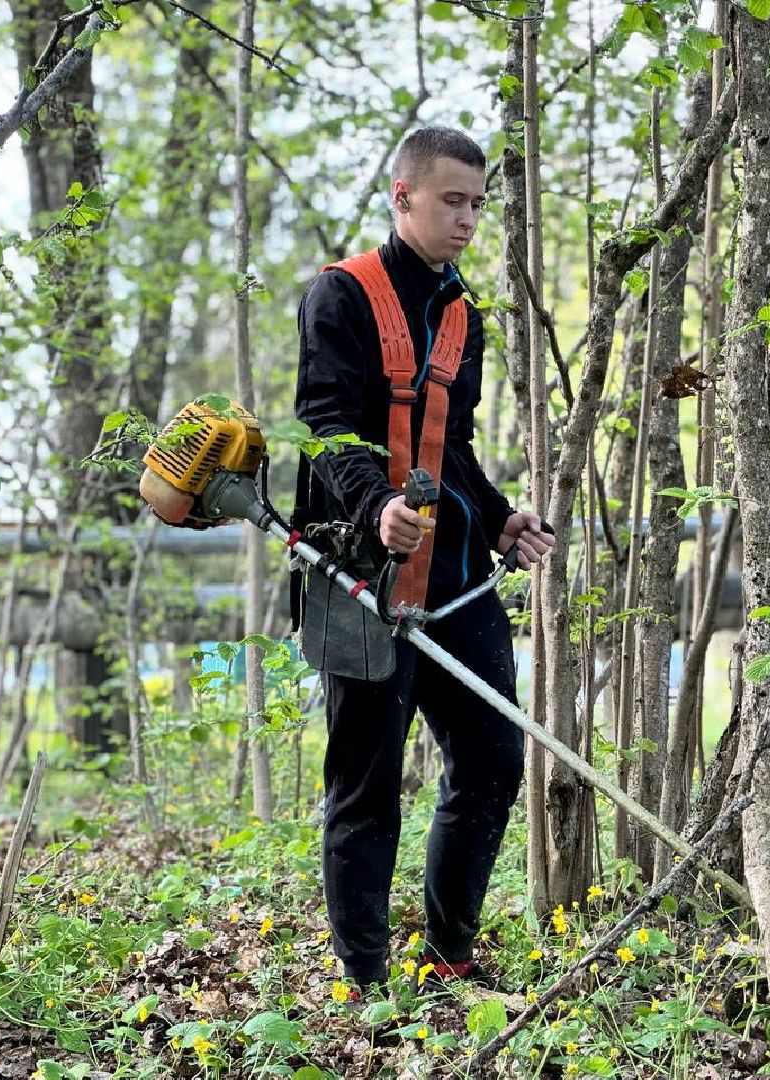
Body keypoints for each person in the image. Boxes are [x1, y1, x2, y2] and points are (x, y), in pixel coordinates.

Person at [293, 127, 555, 994]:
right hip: (356, 580)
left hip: (456, 584)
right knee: (367, 791)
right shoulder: (340, 296)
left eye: (479, 203)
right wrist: (379, 509)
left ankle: (450, 959)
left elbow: (452, 446)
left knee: (491, 763)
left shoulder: (460, 310)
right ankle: (364, 983)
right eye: (452, 201)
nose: (469, 219)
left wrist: (499, 516)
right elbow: (325, 428)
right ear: (402, 197)